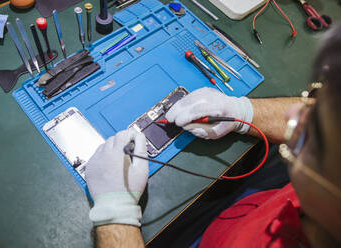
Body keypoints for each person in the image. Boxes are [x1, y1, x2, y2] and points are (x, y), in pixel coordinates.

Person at [85, 23, 341, 248]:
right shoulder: (326, 204)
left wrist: (115, 216)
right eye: (313, 98)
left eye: (316, 128)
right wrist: (243, 112)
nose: (293, 112)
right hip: (248, 208)